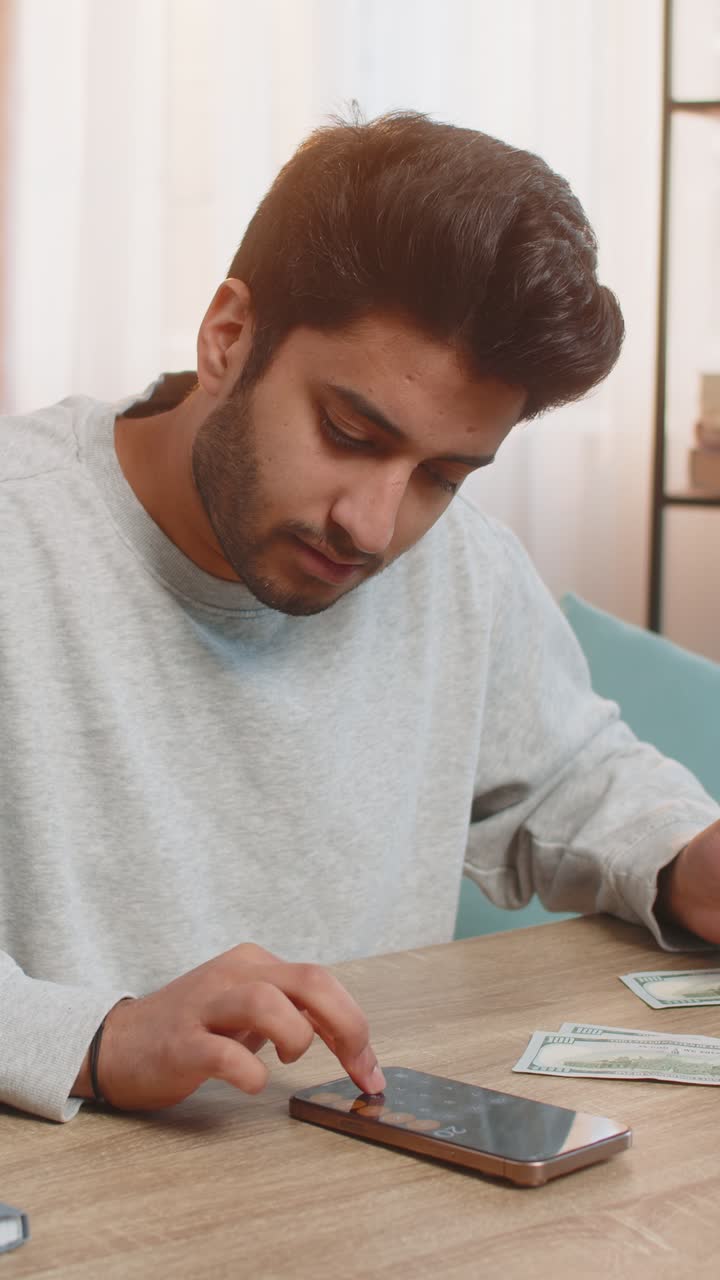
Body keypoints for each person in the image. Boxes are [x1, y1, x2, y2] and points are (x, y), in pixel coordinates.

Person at [1, 111, 718, 1125]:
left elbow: (571, 778)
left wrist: (691, 858)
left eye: (443, 473)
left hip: (352, 1188)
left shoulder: (461, 569)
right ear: (228, 336)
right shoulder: (18, 531)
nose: (373, 526)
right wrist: (101, 1036)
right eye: (349, 432)